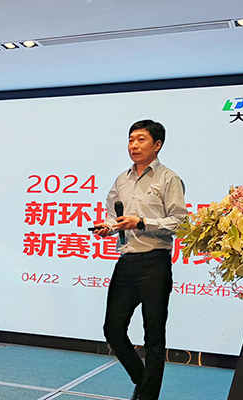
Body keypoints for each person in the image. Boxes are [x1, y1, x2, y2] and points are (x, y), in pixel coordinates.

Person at [94, 119, 186, 400]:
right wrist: (108, 227)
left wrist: (142, 222)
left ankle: (146, 397)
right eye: (131, 139)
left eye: (141, 139)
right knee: (113, 330)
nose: (134, 145)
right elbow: (113, 215)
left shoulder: (169, 178)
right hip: (127, 262)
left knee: (153, 336)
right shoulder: (122, 179)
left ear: (157, 145)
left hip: (155, 263)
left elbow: (179, 222)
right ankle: (143, 381)